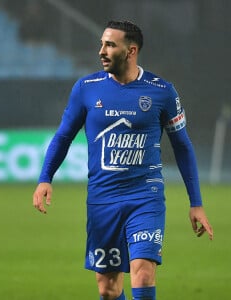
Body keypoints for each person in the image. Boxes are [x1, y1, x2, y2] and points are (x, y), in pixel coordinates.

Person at [33, 20, 213, 300]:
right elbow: (62, 137)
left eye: (110, 45)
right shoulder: (86, 88)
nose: (101, 51)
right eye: (102, 44)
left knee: (142, 272)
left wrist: (196, 202)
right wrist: (45, 178)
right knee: (108, 289)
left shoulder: (162, 91)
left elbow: (183, 146)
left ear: (131, 51)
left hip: (146, 197)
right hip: (102, 200)